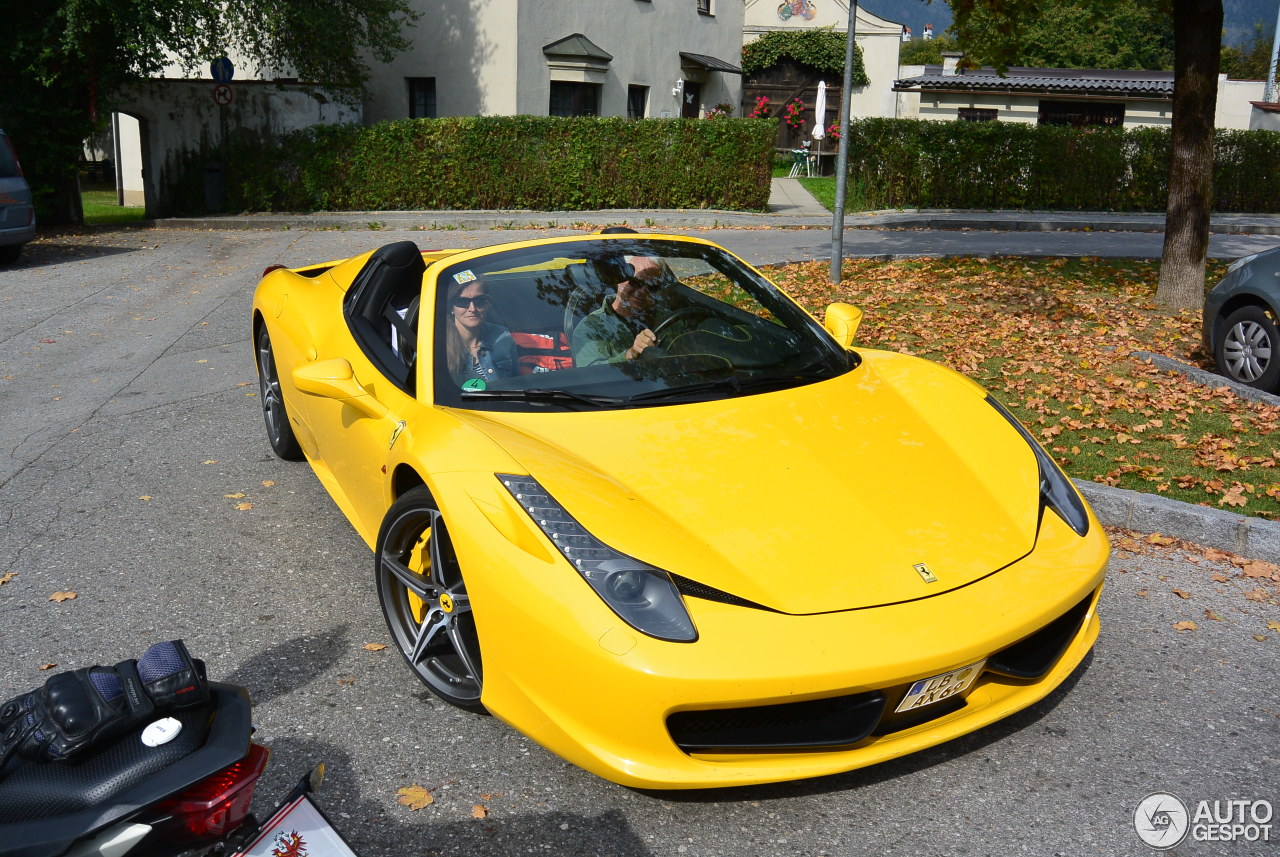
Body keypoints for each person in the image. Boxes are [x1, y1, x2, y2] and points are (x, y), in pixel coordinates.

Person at [571, 253, 670, 366]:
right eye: (636, 282)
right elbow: (591, 377)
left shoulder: (667, 319)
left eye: (652, 286)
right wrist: (630, 354)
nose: (642, 291)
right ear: (620, 278)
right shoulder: (591, 327)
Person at [445, 276, 515, 385]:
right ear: (451, 308)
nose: (472, 309)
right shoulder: (435, 343)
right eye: (463, 302)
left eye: (479, 301)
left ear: (487, 303)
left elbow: (517, 384)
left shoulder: (502, 336)